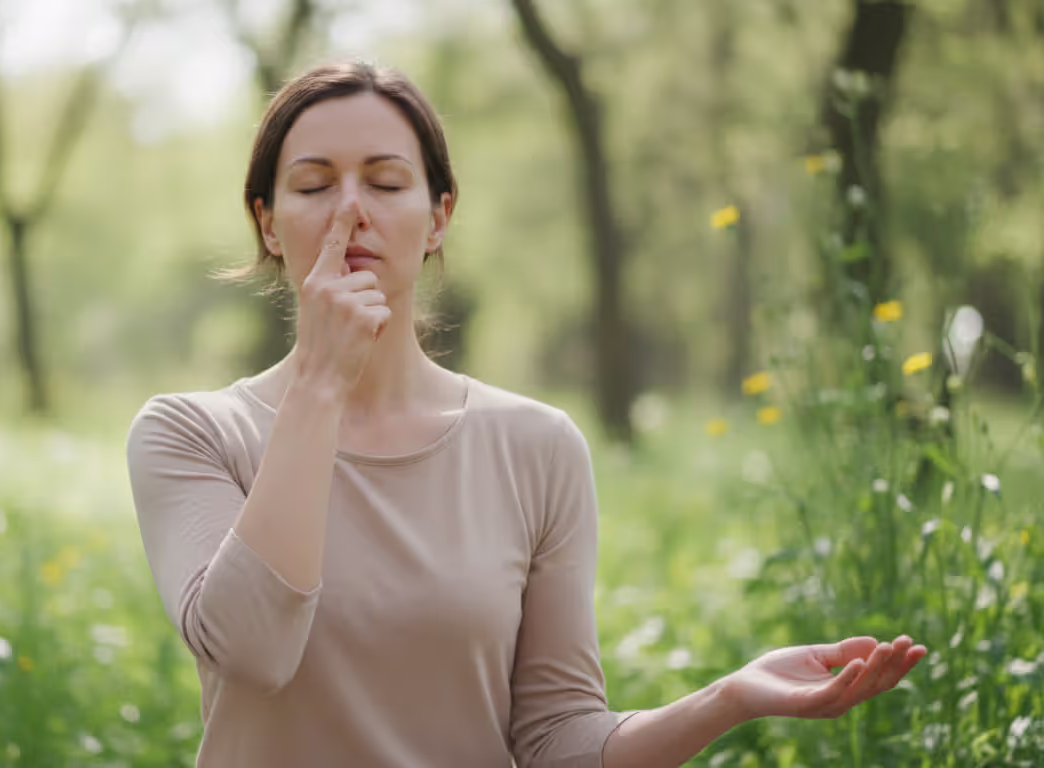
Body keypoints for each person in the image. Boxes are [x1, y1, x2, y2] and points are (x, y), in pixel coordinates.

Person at [125, 59, 926, 768]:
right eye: (312, 185)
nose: (350, 211)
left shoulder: (536, 446)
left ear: (438, 216)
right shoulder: (191, 435)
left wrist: (726, 700)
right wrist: (321, 386)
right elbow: (256, 652)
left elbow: (557, 741)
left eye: (386, 181)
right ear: (268, 220)